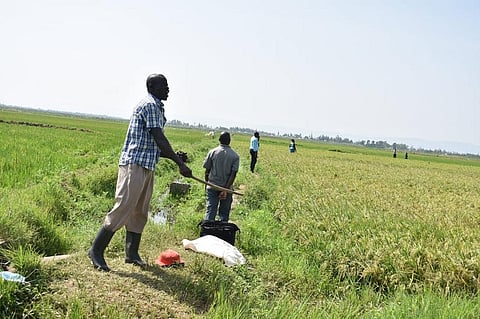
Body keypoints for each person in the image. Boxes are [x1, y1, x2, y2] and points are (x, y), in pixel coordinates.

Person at [88, 74, 192, 272]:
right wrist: (180, 164)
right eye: (165, 85)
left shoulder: (157, 107)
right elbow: (159, 138)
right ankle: (96, 250)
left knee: (140, 211)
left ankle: (131, 254)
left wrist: (175, 157)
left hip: (146, 164)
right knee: (123, 207)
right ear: (152, 86)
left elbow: (154, 144)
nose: (168, 89)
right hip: (134, 164)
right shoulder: (150, 105)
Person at [202, 132, 240, 222]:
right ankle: (222, 233)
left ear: (219, 140)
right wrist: (225, 190)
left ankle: (207, 232)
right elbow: (233, 174)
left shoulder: (212, 152)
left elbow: (207, 170)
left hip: (212, 186)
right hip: (227, 188)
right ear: (229, 141)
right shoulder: (235, 156)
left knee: (210, 211)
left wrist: (207, 183)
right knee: (224, 214)